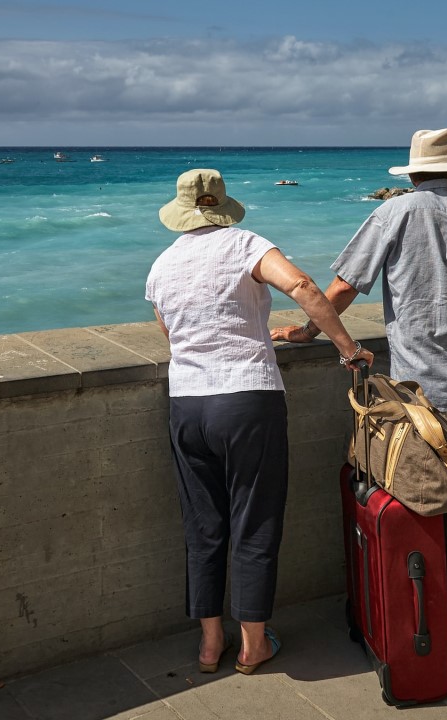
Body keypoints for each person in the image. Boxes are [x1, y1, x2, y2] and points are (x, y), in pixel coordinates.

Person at [271, 128, 447, 588]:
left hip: (426, 392)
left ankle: (432, 615)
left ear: (413, 175)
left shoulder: (394, 212)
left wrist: (309, 330)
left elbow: (345, 285)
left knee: (428, 500)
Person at [146, 168, 373, 676]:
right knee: (254, 519)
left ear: (181, 212)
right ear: (223, 207)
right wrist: (348, 349)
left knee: (203, 525)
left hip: (187, 403)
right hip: (247, 398)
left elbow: (171, 333)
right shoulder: (246, 244)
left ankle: (209, 644)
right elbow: (303, 285)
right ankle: (252, 644)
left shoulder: (161, 265)